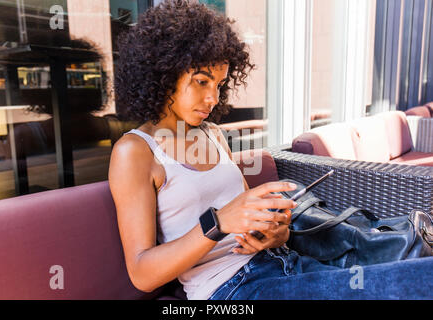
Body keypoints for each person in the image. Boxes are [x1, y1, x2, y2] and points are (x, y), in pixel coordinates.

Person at [109, 0, 432, 300]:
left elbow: (251, 216)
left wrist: (274, 232)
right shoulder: (136, 151)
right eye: (202, 81)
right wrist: (218, 223)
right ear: (163, 74)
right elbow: (142, 273)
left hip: (285, 264)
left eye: (219, 85)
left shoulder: (212, 134)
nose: (213, 98)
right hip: (231, 288)